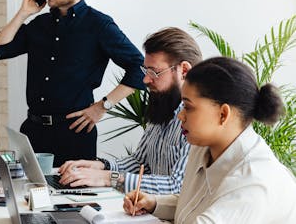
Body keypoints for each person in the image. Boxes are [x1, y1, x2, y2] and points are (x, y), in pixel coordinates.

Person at [0, 0, 145, 166]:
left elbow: (140, 67)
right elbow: (0, 50)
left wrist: (103, 106)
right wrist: (23, 13)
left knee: (74, 198)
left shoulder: (99, 25)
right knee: (28, 195)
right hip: (34, 131)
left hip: (75, 135)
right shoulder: (40, 24)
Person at [123, 57, 296, 223]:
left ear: (223, 114)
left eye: (188, 107)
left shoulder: (252, 182)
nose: (181, 116)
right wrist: (154, 203)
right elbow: (198, 203)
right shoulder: (204, 147)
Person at [59, 27, 202, 194]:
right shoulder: (162, 106)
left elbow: (177, 186)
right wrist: (101, 166)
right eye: (145, 70)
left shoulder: (199, 121)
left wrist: (107, 178)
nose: (146, 79)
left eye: (154, 72)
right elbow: (140, 162)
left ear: (184, 70)